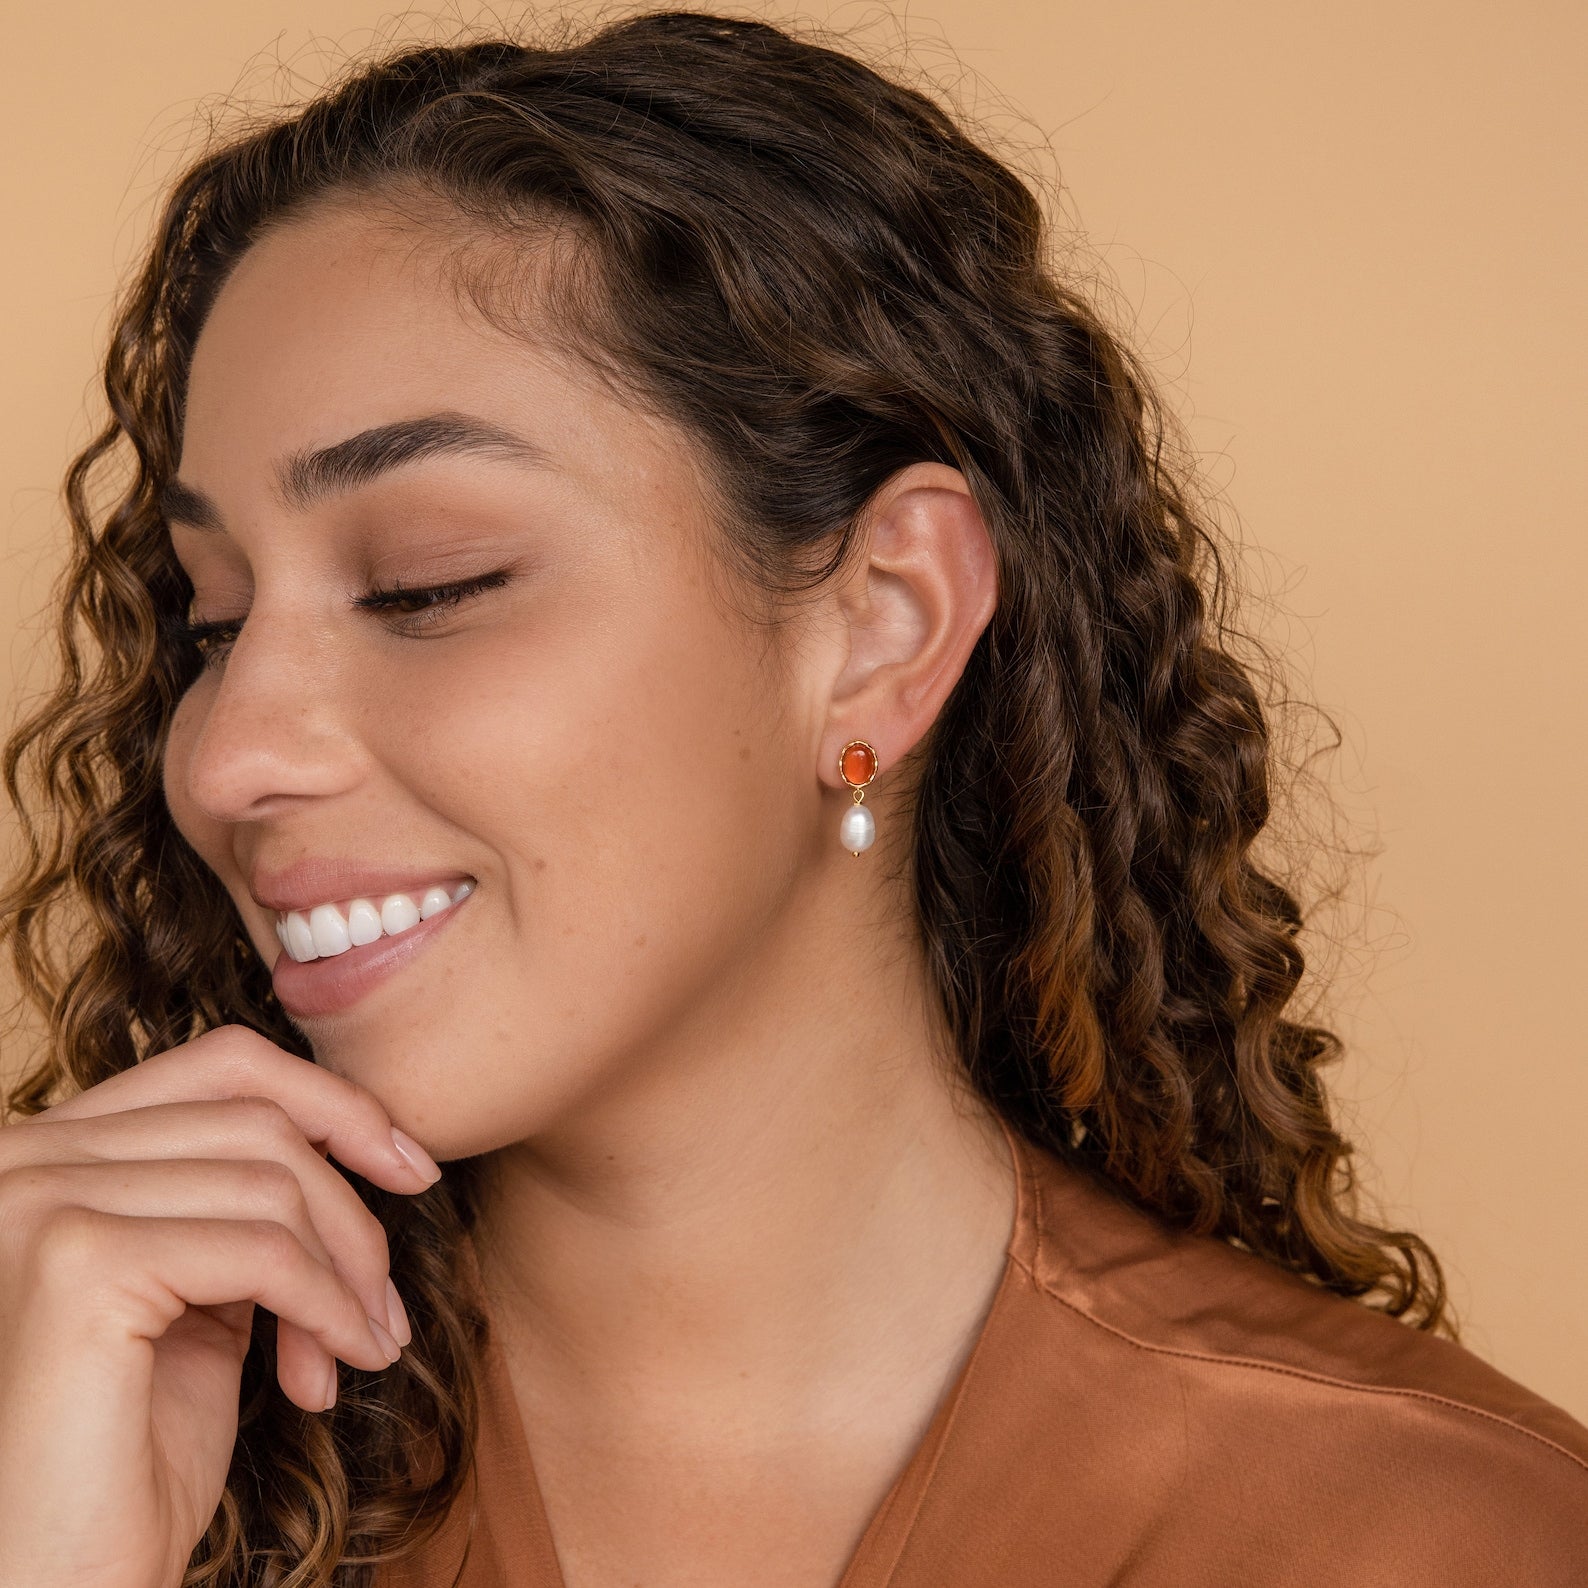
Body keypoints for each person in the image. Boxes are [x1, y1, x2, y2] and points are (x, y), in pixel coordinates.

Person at [0, 11, 1583, 1587]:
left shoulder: (1429, 1540)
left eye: (428, 585)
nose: (226, 756)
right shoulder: (81, 1439)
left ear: (885, 625)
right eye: (213, 621)